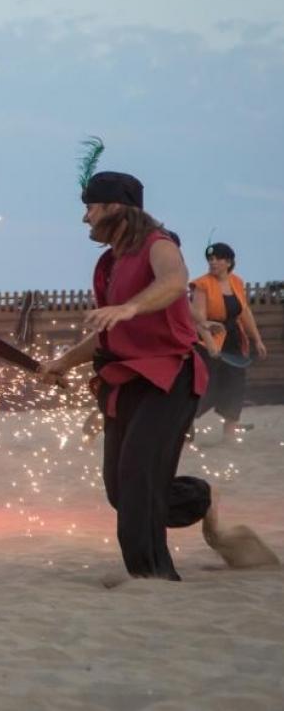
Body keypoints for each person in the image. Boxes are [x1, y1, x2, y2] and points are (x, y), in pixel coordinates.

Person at [40, 166, 278, 582]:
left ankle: (153, 579)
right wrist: (61, 363)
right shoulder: (108, 264)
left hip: (170, 380)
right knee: (121, 490)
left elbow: (173, 281)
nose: (85, 218)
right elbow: (107, 337)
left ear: (116, 208)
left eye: (91, 208)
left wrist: (130, 307)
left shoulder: (158, 244)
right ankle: (199, 497)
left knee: (137, 479)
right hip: (126, 384)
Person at [190, 242, 269, 442]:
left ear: (228, 262)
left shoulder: (236, 282)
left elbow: (244, 312)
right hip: (209, 339)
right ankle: (184, 430)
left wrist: (257, 339)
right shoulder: (201, 285)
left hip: (233, 339)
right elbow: (198, 319)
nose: (212, 262)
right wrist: (210, 345)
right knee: (205, 385)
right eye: (210, 259)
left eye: (217, 258)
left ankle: (229, 434)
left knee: (235, 384)